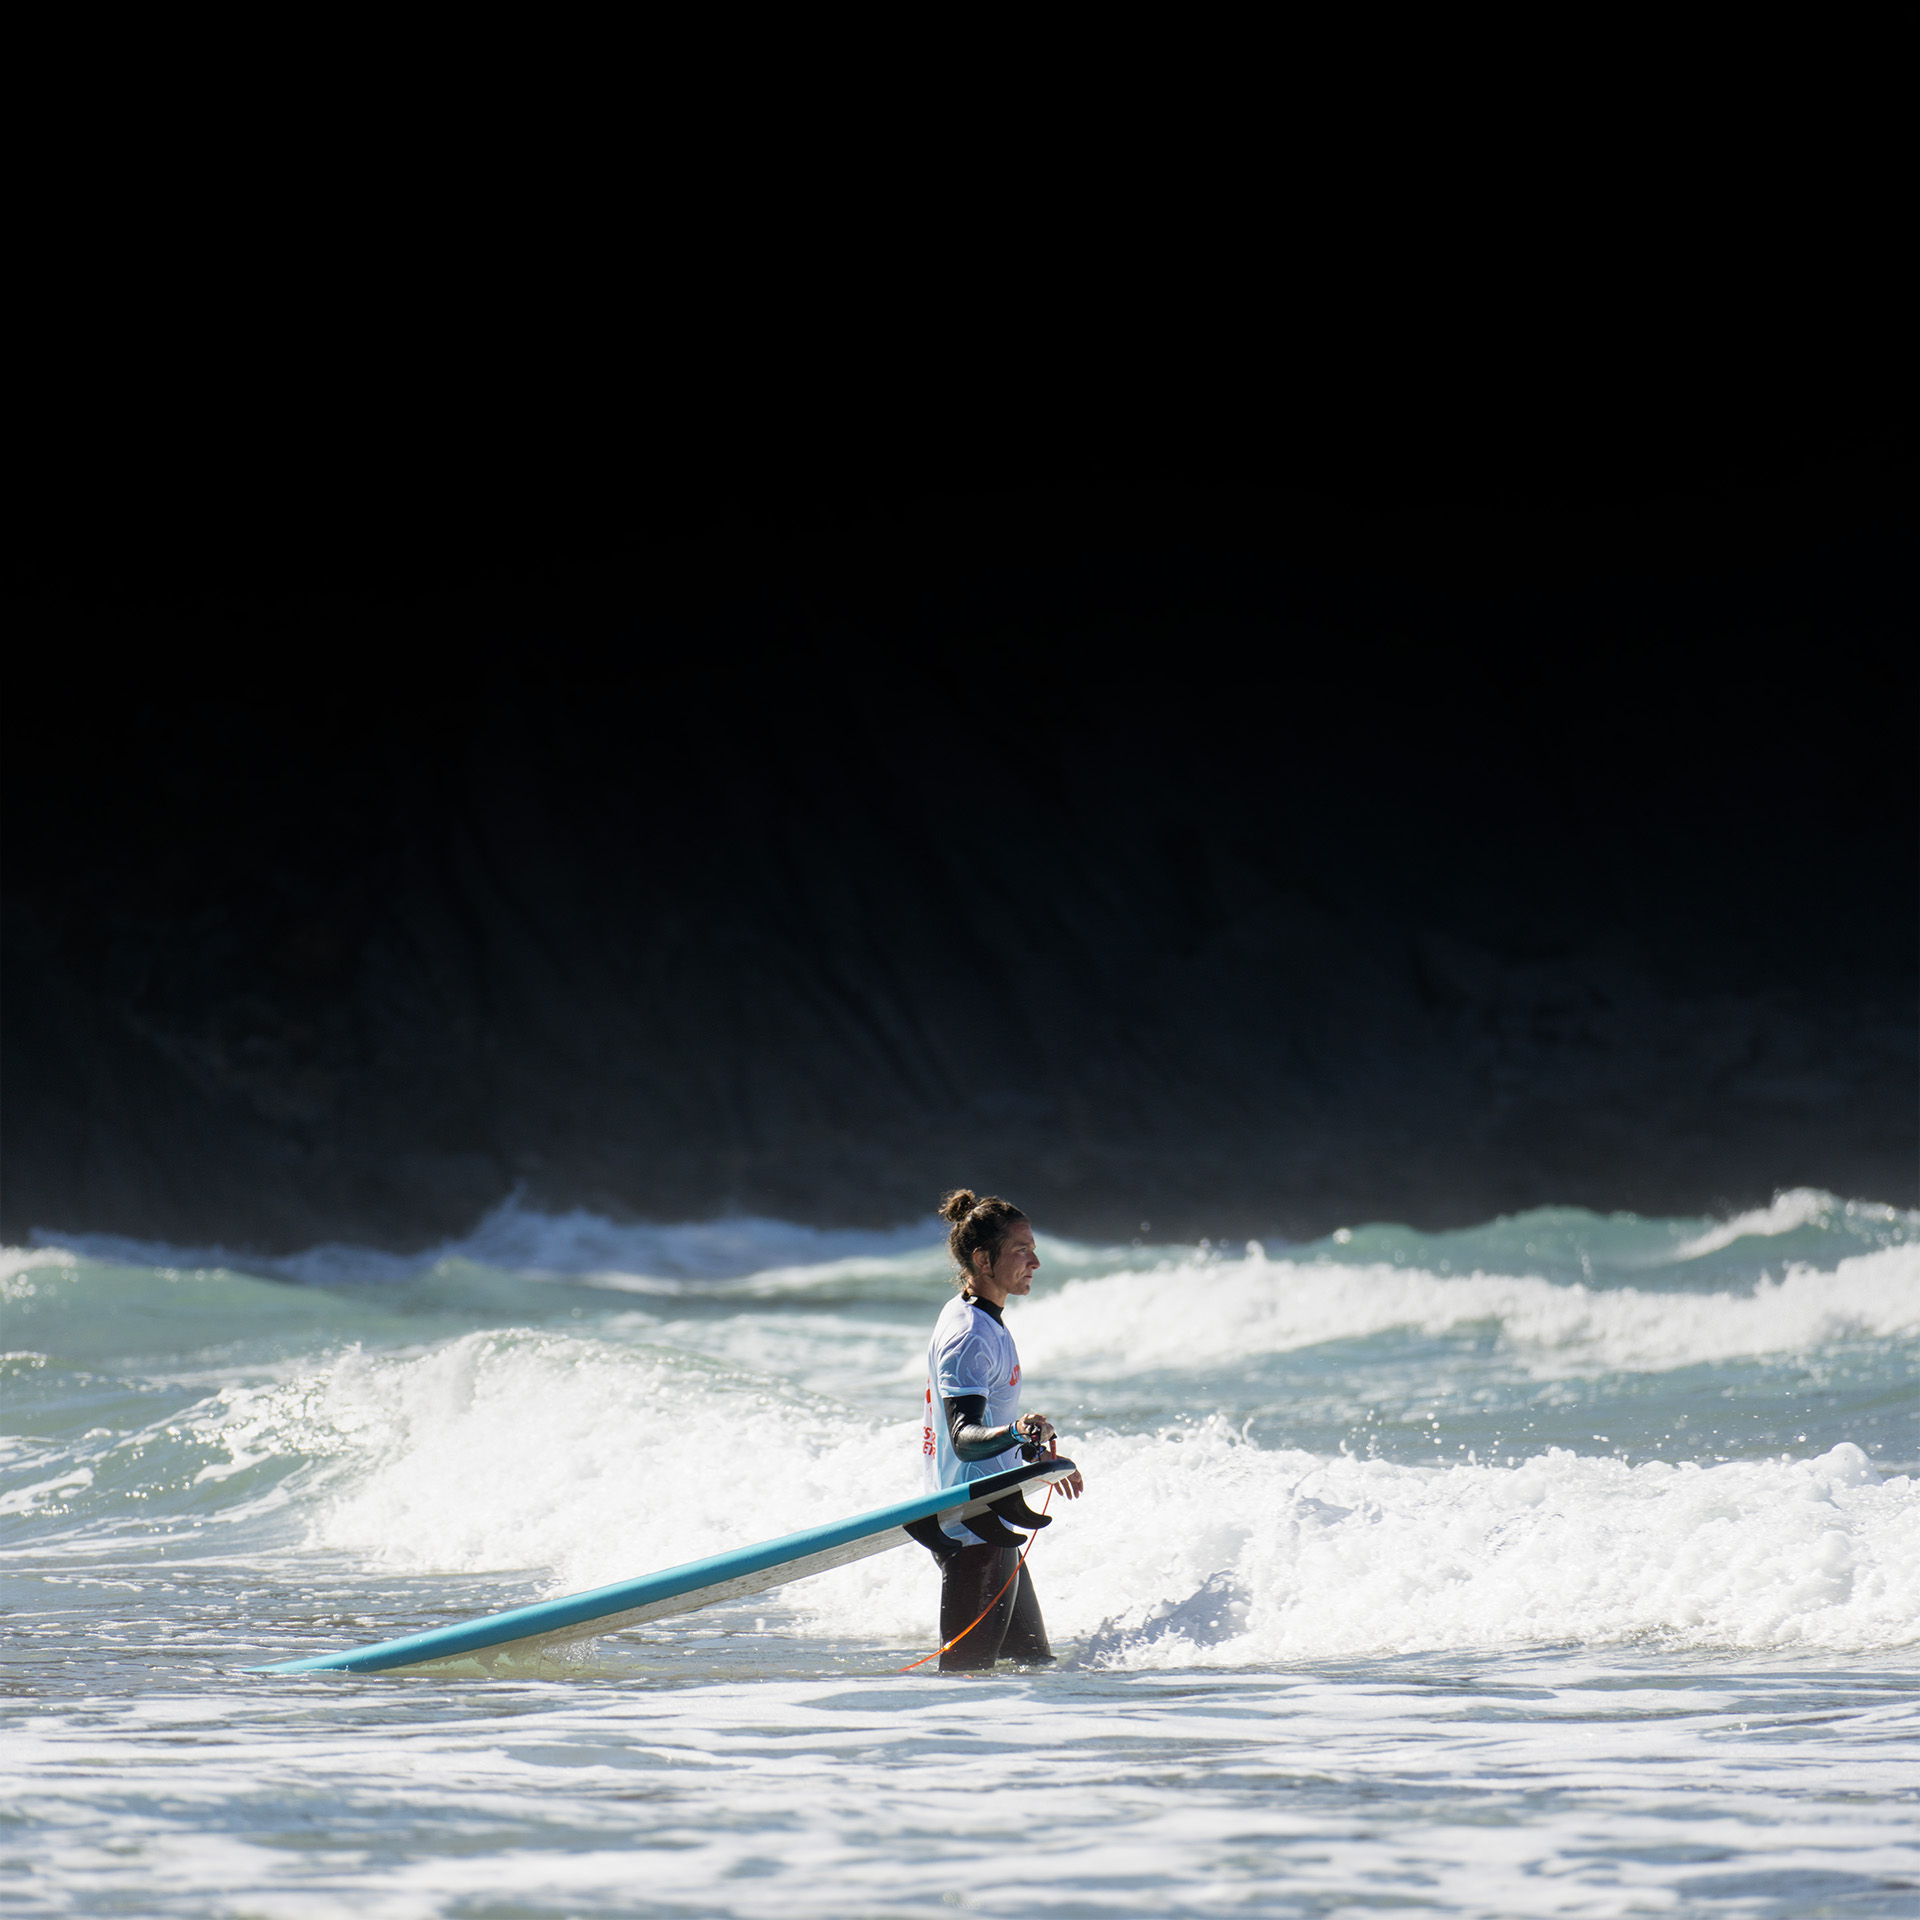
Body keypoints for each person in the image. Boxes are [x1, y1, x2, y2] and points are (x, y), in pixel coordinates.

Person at [913, 1188, 1085, 1671]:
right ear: (983, 1259)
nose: (1035, 1262)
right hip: (974, 1529)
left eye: (1033, 1248)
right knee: (965, 1680)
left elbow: (987, 1430)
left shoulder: (979, 1318)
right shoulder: (969, 1335)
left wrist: (1033, 1455)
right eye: (1020, 1250)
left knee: (1033, 1666)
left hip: (988, 1521)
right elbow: (965, 1439)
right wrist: (1017, 1432)